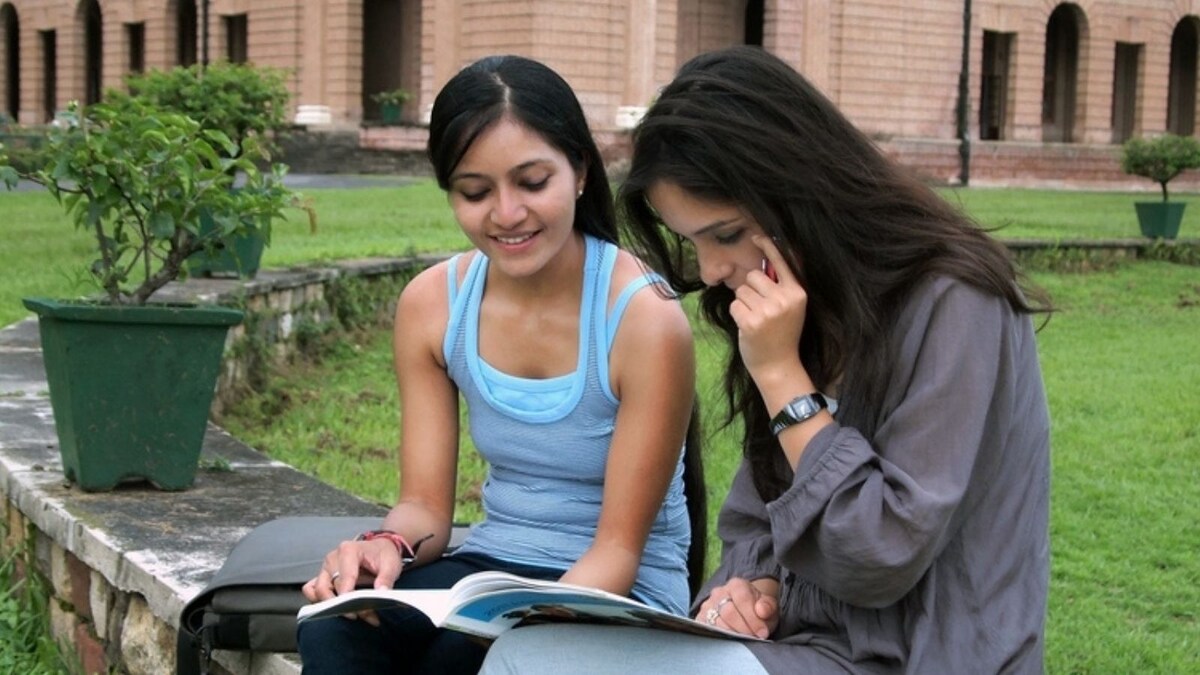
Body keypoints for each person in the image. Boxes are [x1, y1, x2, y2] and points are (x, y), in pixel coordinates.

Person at [480, 45, 1052, 675]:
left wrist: (783, 379)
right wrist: (750, 589)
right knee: (525, 655)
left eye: (725, 235)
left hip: (921, 657)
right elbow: (756, 522)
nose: (711, 270)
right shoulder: (805, 301)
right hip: (801, 647)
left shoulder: (955, 301)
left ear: (801, 191)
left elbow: (885, 552)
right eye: (692, 241)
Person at [296, 54, 707, 674]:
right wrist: (384, 545)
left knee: (458, 662)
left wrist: (516, 623)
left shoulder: (644, 317)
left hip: (621, 589)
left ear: (581, 172)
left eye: (533, 182)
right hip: (493, 568)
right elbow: (426, 509)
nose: (506, 214)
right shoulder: (433, 305)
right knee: (341, 632)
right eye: (475, 191)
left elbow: (619, 551)